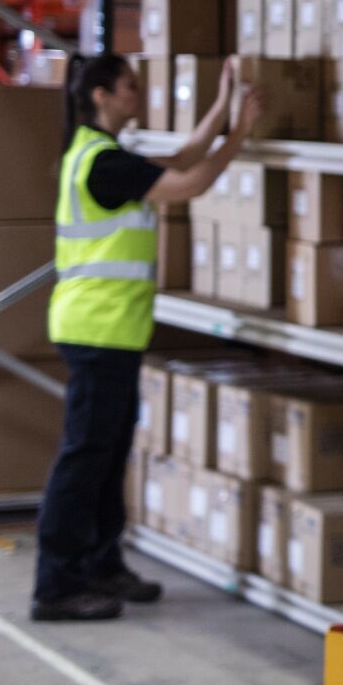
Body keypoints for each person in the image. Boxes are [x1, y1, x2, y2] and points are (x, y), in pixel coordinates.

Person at [32, 52, 263, 622]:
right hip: (97, 331)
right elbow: (189, 181)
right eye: (129, 87)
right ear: (102, 96)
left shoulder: (103, 157)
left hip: (111, 332)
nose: (138, 94)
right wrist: (241, 133)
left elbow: (180, 157)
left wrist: (221, 104)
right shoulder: (102, 164)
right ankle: (56, 586)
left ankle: (101, 565)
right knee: (85, 460)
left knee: (108, 458)